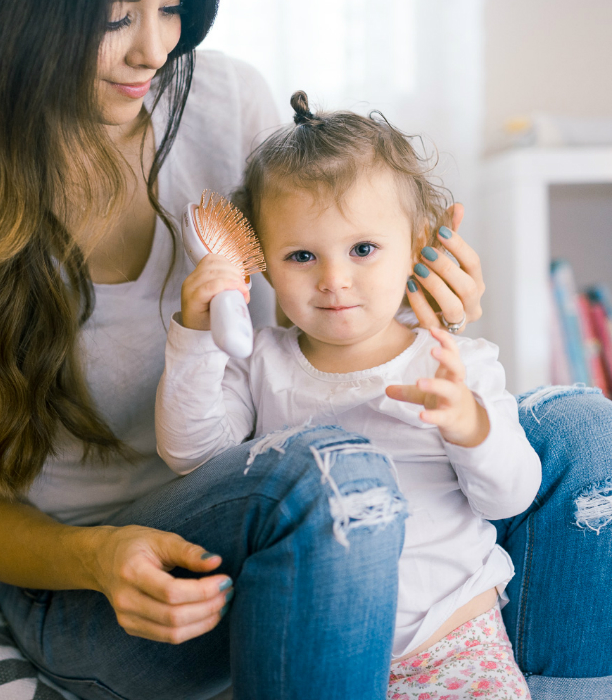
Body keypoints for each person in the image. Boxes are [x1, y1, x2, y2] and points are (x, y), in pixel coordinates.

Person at [0, 0, 611, 698]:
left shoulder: (226, 104)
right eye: (114, 18)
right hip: (115, 584)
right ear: (9, 15)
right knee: (334, 472)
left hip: (309, 519)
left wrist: (419, 280)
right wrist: (100, 557)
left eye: (173, 7)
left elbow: (334, 238)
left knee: (584, 429)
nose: (154, 51)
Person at [156, 92, 542, 698]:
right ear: (259, 263)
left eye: (363, 249)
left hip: (452, 640)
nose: (333, 280)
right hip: (318, 643)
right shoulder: (261, 361)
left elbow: (510, 497)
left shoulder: (456, 362)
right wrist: (198, 333)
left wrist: (470, 426)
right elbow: (192, 455)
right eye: (301, 256)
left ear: (416, 245)